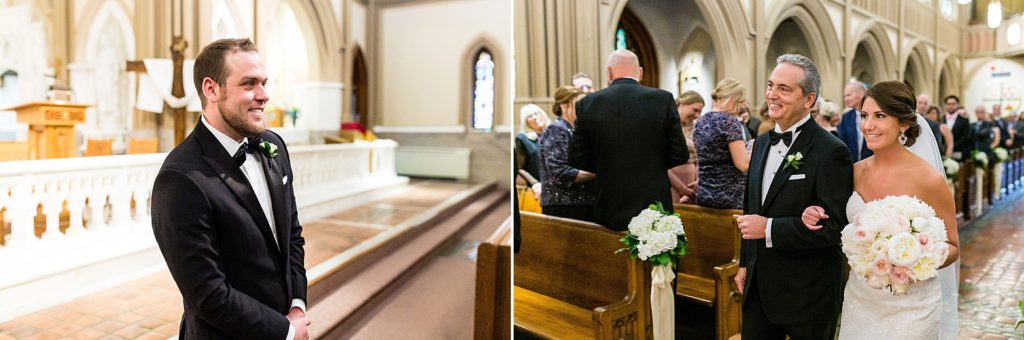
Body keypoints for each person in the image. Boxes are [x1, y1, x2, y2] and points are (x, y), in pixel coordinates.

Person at [150, 38, 310, 339]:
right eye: (249, 84)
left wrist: (297, 304)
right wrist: (284, 332)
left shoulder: (273, 146)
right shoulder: (181, 178)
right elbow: (208, 294)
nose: (263, 95)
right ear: (211, 89)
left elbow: (292, 234)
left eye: (264, 83)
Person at [801, 81, 960, 339]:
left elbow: (952, 246)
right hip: (861, 300)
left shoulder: (929, 179)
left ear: (904, 123)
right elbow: (834, 223)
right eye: (865, 116)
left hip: (912, 308)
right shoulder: (854, 172)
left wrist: (914, 258)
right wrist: (812, 213)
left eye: (880, 116)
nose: (868, 125)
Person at [735, 54, 853, 339]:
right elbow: (751, 207)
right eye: (771, 85)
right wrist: (744, 264)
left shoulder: (831, 151)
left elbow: (834, 229)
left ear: (809, 99)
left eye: (784, 89)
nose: (772, 95)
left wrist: (771, 228)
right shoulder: (761, 143)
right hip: (759, 286)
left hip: (807, 291)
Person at [569, 49, 688, 231]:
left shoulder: (587, 104)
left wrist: (607, 166)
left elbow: (577, 158)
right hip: (653, 198)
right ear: (640, 72)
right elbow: (680, 154)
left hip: (610, 201)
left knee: (610, 256)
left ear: (609, 72)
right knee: (655, 255)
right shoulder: (662, 99)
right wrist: (652, 165)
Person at [539, 85, 596, 221]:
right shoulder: (557, 129)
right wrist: (597, 174)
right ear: (564, 106)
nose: (583, 108)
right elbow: (560, 173)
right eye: (579, 104)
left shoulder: (573, 129)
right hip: (564, 205)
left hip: (579, 204)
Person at [693, 78, 750, 209]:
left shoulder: (701, 121)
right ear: (733, 98)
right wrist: (754, 151)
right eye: (740, 101)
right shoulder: (729, 121)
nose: (742, 106)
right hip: (729, 195)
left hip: (704, 193)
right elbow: (742, 165)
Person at [670, 91, 704, 203]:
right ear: (683, 103)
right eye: (695, 110)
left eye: (700, 112)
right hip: (672, 184)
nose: (697, 115)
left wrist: (698, 181)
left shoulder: (695, 128)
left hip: (692, 185)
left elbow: (701, 157)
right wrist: (681, 188)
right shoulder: (667, 125)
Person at [516, 104, 550, 190]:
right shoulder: (522, 138)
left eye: (536, 113)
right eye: (530, 116)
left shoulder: (554, 134)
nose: (535, 117)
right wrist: (534, 183)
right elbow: (520, 168)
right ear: (526, 122)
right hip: (538, 187)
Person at [838, 81, 872, 161]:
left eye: (848, 95)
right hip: (852, 165)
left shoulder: (875, 114)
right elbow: (842, 142)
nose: (845, 99)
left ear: (861, 94)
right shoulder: (846, 117)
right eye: (844, 96)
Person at [944, 95, 973, 160]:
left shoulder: (964, 120)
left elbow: (965, 137)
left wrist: (952, 147)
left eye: (953, 104)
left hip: (958, 152)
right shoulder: (941, 119)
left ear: (957, 105)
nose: (951, 106)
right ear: (945, 105)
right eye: (948, 104)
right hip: (942, 152)